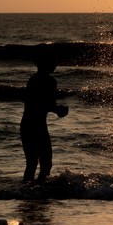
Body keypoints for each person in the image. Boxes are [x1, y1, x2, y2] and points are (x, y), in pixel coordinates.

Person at [20, 44, 69, 183]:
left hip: (26, 125)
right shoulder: (50, 81)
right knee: (46, 165)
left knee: (31, 164)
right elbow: (49, 105)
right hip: (38, 127)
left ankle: (27, 192)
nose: (56, 62)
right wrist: (61, 111)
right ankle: (38, 191)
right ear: (48, 62)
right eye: (54, 60)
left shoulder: (33, 79)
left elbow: (34, 103)